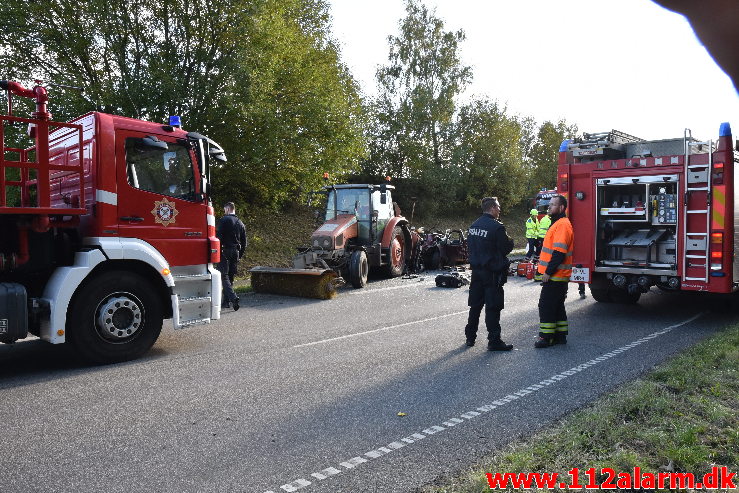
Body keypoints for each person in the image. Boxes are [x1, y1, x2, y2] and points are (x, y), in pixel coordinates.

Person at [464, 197, 514, 351]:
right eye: (498, 207)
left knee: (475, 306)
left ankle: (470, 338)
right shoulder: (496, 227)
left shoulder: (474, 225)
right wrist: (511, 241)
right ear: (492, 208)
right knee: (493, 307)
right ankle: (494, 340)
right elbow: (505, 248)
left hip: (477, 272)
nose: (500, 210)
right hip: (492, 273)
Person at [535, 195, 574, 348]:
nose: (549, 207)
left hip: (556, 275)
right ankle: (560, 336)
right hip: (558, 276)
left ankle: (546, 337)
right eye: (549, 205)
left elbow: (559, 252)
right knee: (557, 305)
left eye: (552, 205)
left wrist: (548, 273)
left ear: (562, 208)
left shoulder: (562, 225)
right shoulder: (558, 223)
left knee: (546, 305)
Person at [216, 202, 247, 311]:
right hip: (236, 252)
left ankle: (233, 298)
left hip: (224, 250)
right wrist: (240, 255)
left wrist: (216, 252)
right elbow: (244, 243)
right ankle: (226, 302)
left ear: (228, 209)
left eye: (225, 209)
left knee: (223, 276)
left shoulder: (223, 220)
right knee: (230, 277)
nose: (224, 212)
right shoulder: (241, 223)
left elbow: (218, 238)